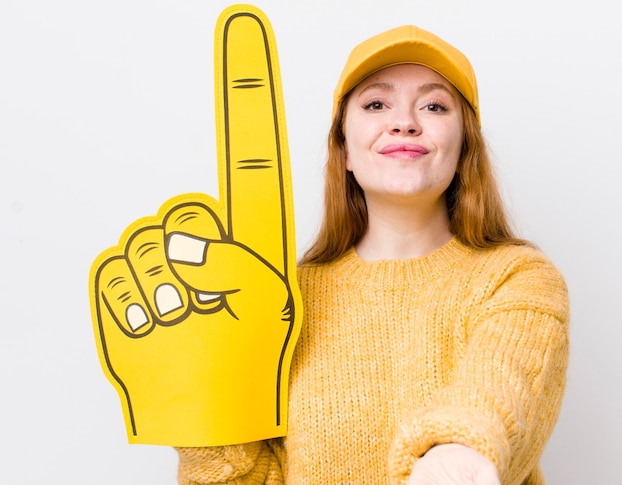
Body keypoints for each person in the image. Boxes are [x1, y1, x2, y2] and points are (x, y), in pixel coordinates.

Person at [175, 24, 569, 485]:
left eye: (434, 105)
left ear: (464, 150)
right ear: (343, 150)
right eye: (376, 104)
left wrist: (456, 454)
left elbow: (497, 393)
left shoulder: (517, 278)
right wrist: (198, 417)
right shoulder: (284, 300)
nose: (404, 122)